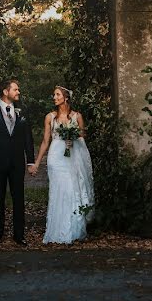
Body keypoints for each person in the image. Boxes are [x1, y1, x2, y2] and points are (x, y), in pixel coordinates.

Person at [31, 86, 95, 244]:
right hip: (55, 157)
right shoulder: (50, 117)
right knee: (58, 191)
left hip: (72, 156)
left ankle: (73, 231)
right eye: (54, 94)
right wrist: (37, 163)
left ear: (66, 97)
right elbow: (46, 141)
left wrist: (73, 136)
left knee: (72, 190)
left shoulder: (77, 116)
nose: (54, 97)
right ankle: (56, 231)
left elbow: (83, 133)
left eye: (57, 94)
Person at [0, 78, 35, 245]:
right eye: (15, 89)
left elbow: (28, 138)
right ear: (5, 91)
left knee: (19, 198)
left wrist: (30, 161)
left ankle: (19, 235)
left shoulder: (22, 111)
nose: (18, 92)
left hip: (17, 163)